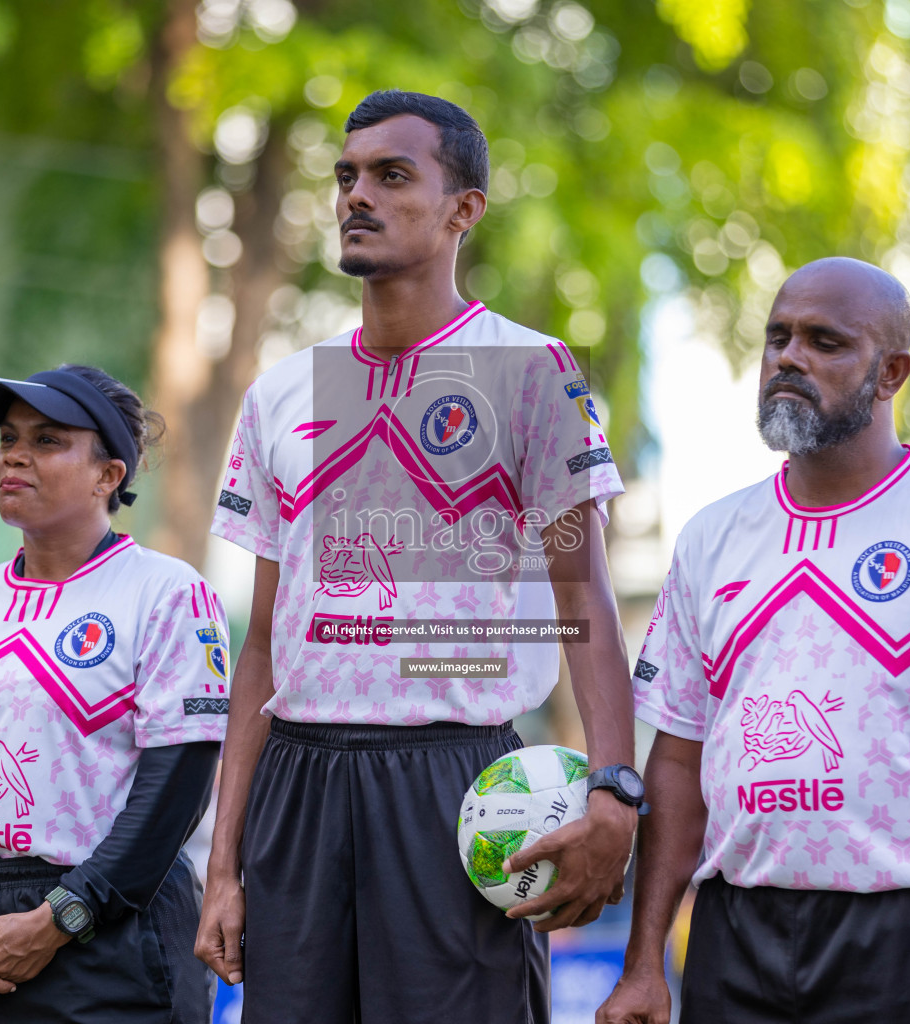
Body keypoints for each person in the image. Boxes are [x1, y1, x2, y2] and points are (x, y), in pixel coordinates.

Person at [196, 89, 642, 1023]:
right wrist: (223, 864)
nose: (358, 195)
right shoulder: (284, 392)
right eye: (347, 176)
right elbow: (264, 649)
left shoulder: (531, 372)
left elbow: (585, 601)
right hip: (300, 787)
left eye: (393, 176)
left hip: (455, 787)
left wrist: (614, 792)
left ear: (462, 209)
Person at [599, 257, 910, 1024]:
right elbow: (677, 759)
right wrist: (644, 960)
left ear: (891, 373)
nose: (789, 356)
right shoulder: (711, 535)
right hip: (733, 934)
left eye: (825, 341)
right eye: (778, 337)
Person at [0, 364, 228, 1022]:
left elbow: (177, 783)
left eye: (46, 441)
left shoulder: (168, 593)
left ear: (108, 474)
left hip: (112, 931)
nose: (13, 456)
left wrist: (64, 915)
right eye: (8, 438)